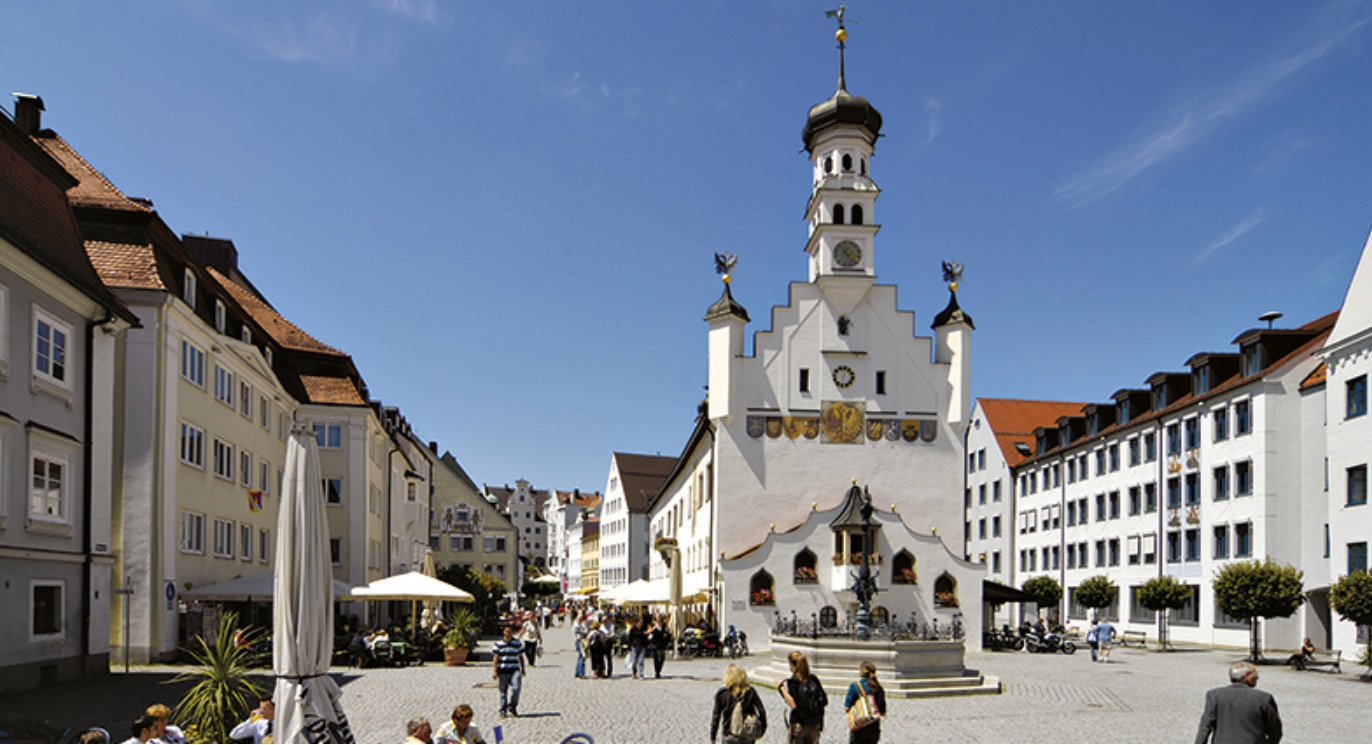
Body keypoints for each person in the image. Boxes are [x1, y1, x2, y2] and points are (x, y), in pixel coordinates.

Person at [1195, 661, 1282, 744]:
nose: (1257, 677)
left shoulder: (1215, 696)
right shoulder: (1263, 698)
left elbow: (1205, 727)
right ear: (1246, 676)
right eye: (1255, 674)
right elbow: (1275, 730)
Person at [710, 663, 767, 744]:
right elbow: (761, 711)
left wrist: (713, 737)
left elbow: (716, 717)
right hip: (747, 732)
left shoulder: (722, 694)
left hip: (729, 734)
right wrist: (762, 730)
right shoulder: (750, 691)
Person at [778, 650, 827, 744]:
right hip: (815, 724)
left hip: (799, 724)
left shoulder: (793, 682)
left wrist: (782, 688)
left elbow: (793, 704)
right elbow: (824, 700)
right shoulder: (813, 679)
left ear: (792, 665)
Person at [844, 661, 888, 744]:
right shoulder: (878, 688)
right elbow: (882, 710)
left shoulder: (855, 686)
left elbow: (846, 707)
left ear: (861, 673)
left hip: (859, 725)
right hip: (873, 725)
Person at [492, 624, 526, 718]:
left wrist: (523, 669)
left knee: (516, 688)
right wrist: (495, 671)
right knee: (503, 692)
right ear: (503, 632)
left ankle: (513, 707)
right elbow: (495, 658)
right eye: (506, 631)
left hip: (514, 669)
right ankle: (502, 710)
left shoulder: (517, 643)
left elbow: (521, 656)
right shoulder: (498, 644)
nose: (508, 633)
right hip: (502, 670)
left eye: (510, 631)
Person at [573, 615, 589, 679]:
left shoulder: (579, 624)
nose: (581, 619)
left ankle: (577, 672)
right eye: (580, 618)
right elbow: (579, 632)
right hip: (579, 641)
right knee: (582, 656)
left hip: (579, 641)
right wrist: (585, 633)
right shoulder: (576, 625)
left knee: (580, 657)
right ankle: (581, 673)